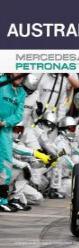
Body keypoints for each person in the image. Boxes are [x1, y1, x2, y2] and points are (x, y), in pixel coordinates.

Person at [0, 73, 26, 212]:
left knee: (5, 164)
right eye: (18, 71)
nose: (21, 75)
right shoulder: (1, 83)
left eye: (23, 73)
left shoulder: (21, 93)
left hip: (4, 131)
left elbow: (18, 114)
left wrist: (4, 122)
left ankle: (2, 200)